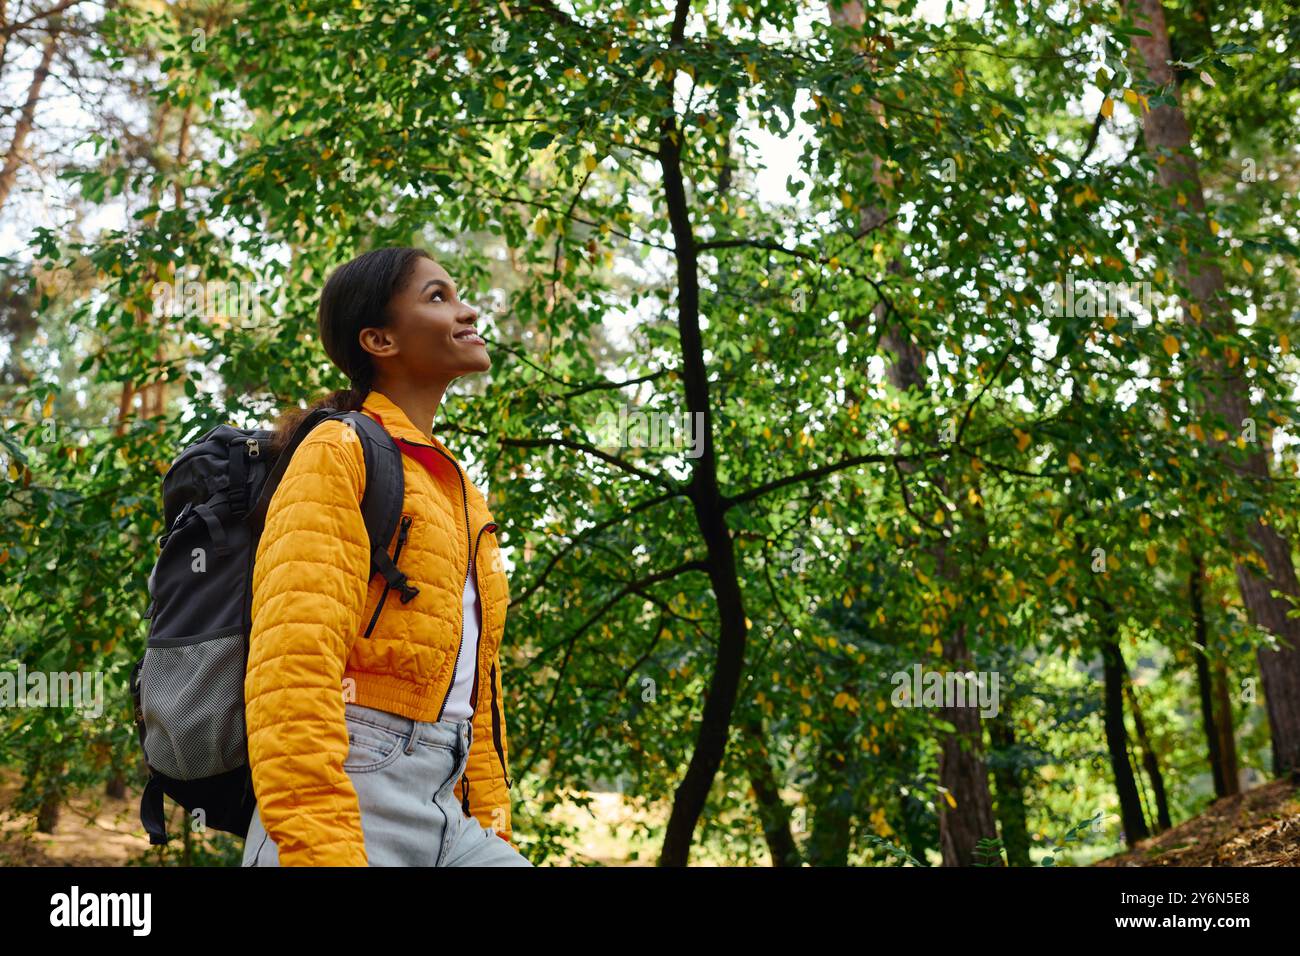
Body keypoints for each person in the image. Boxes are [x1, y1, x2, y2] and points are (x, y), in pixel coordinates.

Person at [241, 246, 530, 866]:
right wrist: (321, 848)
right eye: (437, 297)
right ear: (378, 339)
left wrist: (491, 825)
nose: (467, 310)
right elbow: (293, 663)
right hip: (352, 785)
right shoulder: (338, 450)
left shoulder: (461, 493)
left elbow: (476, 693)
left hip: (449, 804)